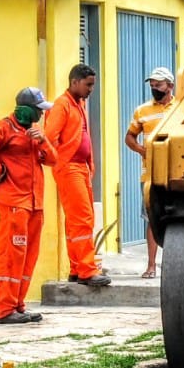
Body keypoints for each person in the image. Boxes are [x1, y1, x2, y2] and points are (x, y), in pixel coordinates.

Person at [0, 88, 57, 323]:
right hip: (13, 203)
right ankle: (3, 309)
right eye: (38, 110)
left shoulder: (34, 132)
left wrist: (42, 142)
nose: (40, 115)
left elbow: (52, 160)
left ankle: (17, 304)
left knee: (28, 256)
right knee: (11, 256)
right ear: (27, 110)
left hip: (33, 204)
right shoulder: (3, 127)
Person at [45, 64, 110, 287]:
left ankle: (77, 268)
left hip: (81, 167)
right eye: (88, 85)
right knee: (82, 218)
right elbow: (49, 136)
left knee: (78, 220)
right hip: (69, 167)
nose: (91, 89)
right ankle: (87, 270)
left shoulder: (79, 103)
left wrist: (89, 163)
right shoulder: (62, 105)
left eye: (92, 84)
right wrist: (58, 161)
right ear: (75, 82)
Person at [125, 66, 177, 277]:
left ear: (170, 86)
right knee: (152, 219)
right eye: (152, 85)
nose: (155, 88)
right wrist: (141, 151)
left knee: (174, 219)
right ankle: (151, 265)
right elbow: (130, 137)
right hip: (150, 174)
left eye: (159, 84)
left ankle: (173, 266)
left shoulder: (182, 108)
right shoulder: (142, 111)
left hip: (175, 173)